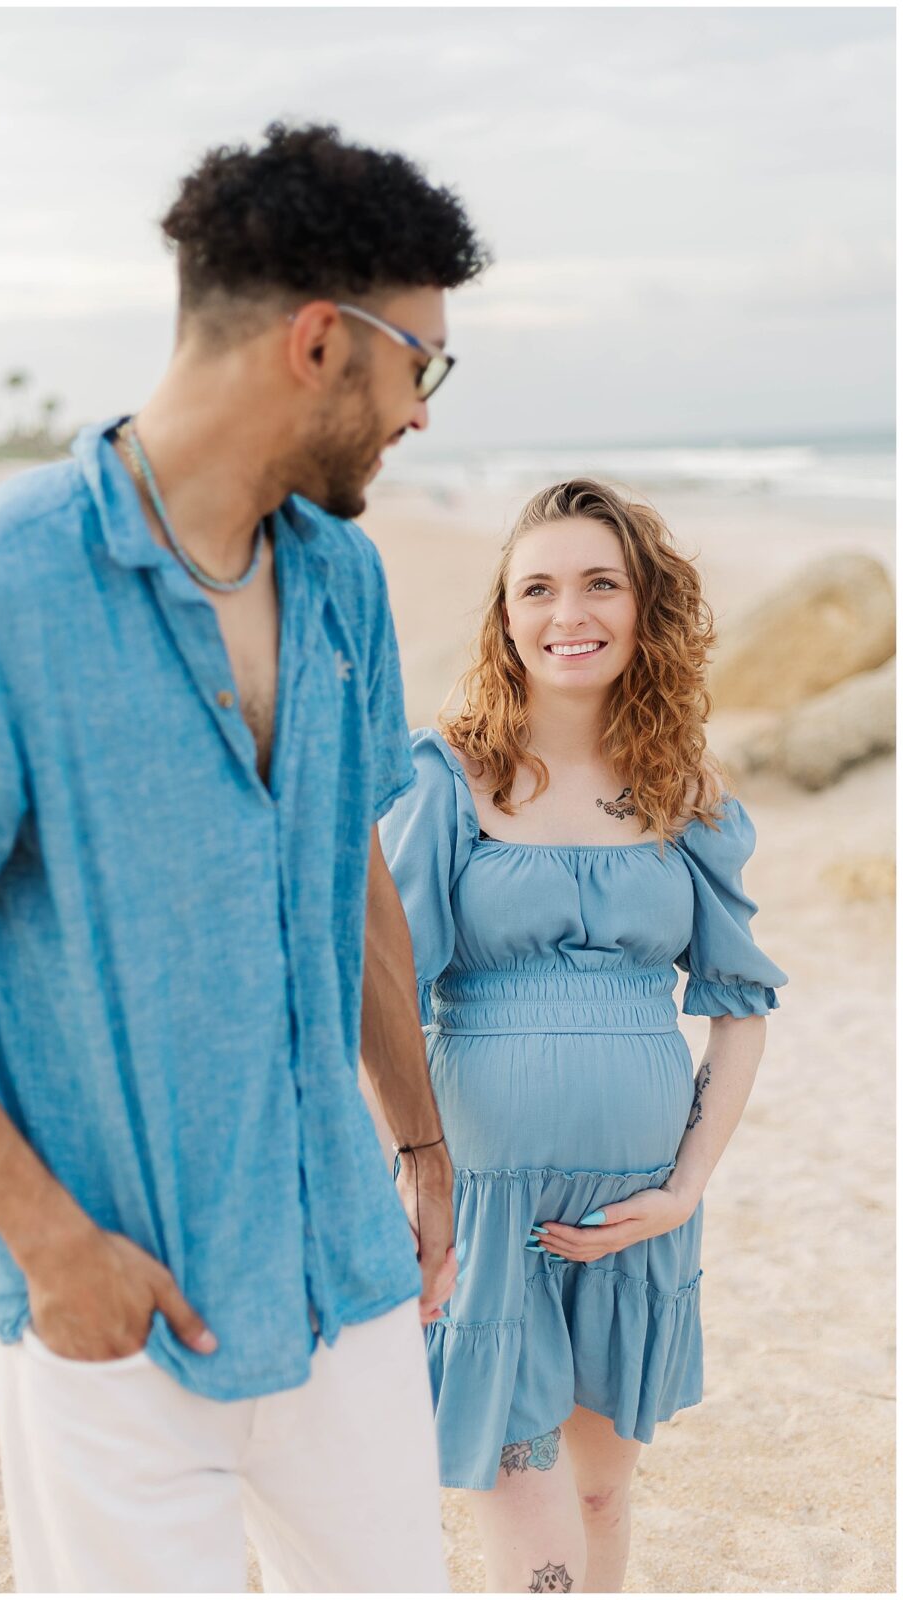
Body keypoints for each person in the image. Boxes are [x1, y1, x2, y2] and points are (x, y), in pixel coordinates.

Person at [0, 122, 492, 1594]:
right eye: (422, 367)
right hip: (119, 1310)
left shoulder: (342, 581)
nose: (424, 416)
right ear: (324, 343)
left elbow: (357, 868)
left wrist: (424, 1136)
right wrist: (48, 1242)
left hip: (344, 1265)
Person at [379, 479, 787, 1593]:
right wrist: (415, 1173)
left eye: (601, 582)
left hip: (635, 1215)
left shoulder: (685, 795)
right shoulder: (447, 777)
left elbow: (739, 1007)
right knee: (537, 1545)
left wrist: (686, 1187)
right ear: (505, 618)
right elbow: (379, 992)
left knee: (602, 1503)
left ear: (642, 606)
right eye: (540, 587)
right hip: (485, 1210)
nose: (572, 611)